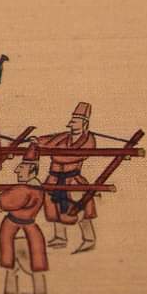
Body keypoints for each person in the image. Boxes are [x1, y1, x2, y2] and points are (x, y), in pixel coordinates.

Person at [0, 144, 49, 294]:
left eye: (21, 168)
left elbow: (12, 199)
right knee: (17, 263)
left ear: (32, 170)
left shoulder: (27, 189)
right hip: (22, 229)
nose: (16, 171)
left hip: (20, 231)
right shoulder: (35, 187)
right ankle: (15, 293)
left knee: (24, 262)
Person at [37, 102, 97, 253]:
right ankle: (60, 237)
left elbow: (76, 156)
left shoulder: (88, 139)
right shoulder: (64, 136)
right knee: (54, 207)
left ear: (84, 123)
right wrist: (36, 141)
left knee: (81, 208)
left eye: (76, 120)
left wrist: (55, 155)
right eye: (73, 119)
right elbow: (48, 141)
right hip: (54, 178)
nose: (72, 122)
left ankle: (89, 239)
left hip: (72, 179)